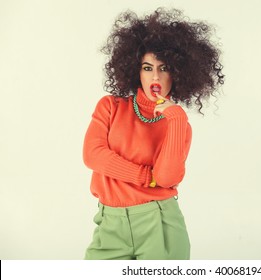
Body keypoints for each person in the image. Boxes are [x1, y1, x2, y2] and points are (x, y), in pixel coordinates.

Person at [83, 7, 224, 260]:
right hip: (110, 224)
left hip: (160, 225)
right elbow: (93, 155)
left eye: (164, 68)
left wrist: (177, 117)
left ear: (178, 74)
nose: (155, 76)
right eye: (147, 68)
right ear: (136, 71)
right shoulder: (111, 107)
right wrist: (145, 176)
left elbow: (167, 178)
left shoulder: (178, 124)